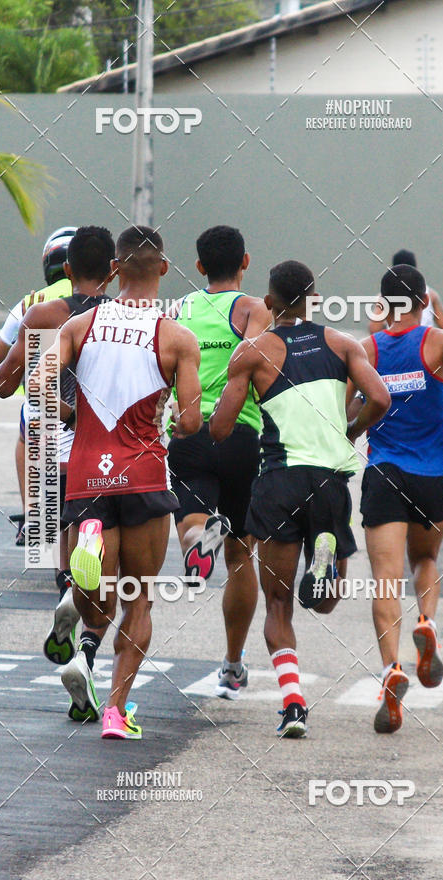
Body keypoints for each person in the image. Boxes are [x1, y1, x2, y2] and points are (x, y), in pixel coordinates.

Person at [28, 226, 202, 739]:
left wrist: (70, 413)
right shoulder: (176, 337)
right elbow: (191, 421)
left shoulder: (79, 325)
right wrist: (170, 417)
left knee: (94, 595)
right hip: (145, 476)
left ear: (114, 270)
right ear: (164, 270)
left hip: (87, 476)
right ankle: (116, 711)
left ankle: (84, 561)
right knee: (139, 598)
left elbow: (37, 386)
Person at [210, 260, 390, 737]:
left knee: (278, 604)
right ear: (315, 299)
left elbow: (221, 427)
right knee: (326, 603)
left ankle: (293, 705)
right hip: (329, 481)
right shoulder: (343, 344)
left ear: (269, 304)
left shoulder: (253, 353)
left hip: (279, 481)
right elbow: (381, 398)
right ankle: (324, 557)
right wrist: (347, 432)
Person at [0, 226, 116, 682]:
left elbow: (4, 381)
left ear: (67, 270)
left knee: (62, 539)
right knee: (108, 562)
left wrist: (38, 388)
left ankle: (67, 591)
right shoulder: (127, 318)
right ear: (113, 270)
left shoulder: (43, 313)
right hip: (103, 456)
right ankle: (86, 646)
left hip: (49, 451)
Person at [168, 225, 272, 700]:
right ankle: (232, 664)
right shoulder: (253, 308)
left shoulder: (180, 310)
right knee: (240, 556)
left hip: (188, 432)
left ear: (199, 267)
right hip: (240, 434)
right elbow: (256, 359)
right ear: (245, 262)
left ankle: (196, 540)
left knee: (191, 517)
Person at [356, 263, 443, 734]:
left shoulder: (368, 349)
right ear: (421, 302)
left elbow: (352, 410)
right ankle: (429, 625)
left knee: (384, 580)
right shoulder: (435, 341)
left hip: (383, 472)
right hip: (433, 474)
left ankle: (391, 670)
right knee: (425, 560)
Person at [0, 226, 76, 545]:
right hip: (90, 408)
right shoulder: (98, 301)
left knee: (27, 433)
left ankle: (32, 515)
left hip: (44, 408)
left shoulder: (32, 303)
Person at [369, 249, 443, 333]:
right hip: (424, 341)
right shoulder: (430, 294)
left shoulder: (385, 295)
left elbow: (374, 328)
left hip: (396, 341)